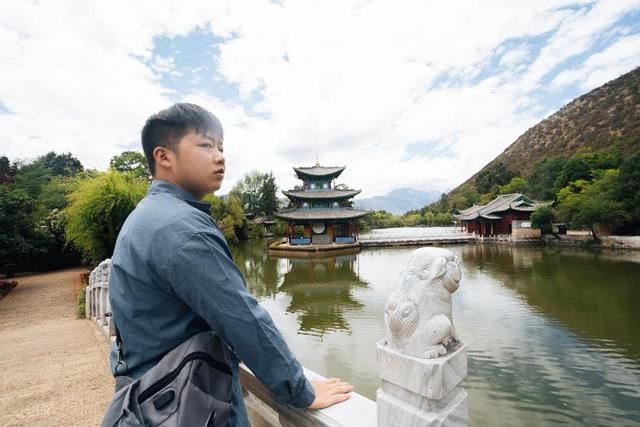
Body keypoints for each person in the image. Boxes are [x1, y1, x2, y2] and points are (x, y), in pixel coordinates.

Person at [107, 103, 352, 426]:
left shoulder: (142, 218)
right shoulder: (183, 229)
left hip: (149, 396)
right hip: (190, 404)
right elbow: (242, 318)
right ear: (163, 156)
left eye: (221, 147)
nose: (220, 156)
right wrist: (299, 389)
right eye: (206, 145)